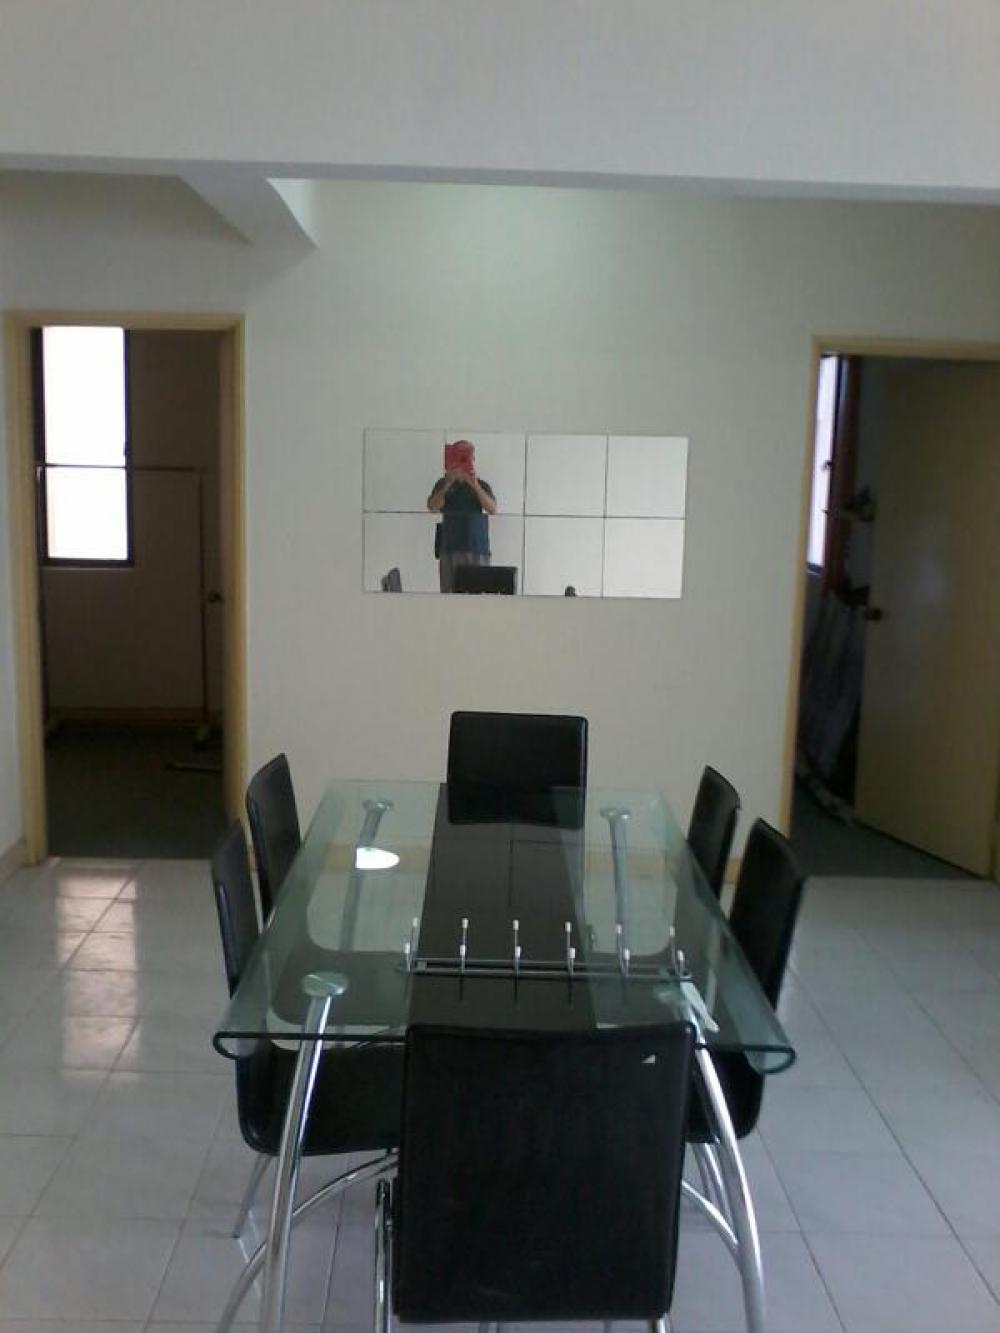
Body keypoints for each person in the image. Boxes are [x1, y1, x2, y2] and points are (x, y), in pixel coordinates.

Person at [426, 442, 498, 593]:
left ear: (473, 458)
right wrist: (448, 484)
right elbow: (433, 507)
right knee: (450, 595)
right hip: (450, 547)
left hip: (477, 548)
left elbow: (492, 509)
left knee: (478, 596)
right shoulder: (443, 483)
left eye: (466, 457)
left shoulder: (481, 484)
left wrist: (475, 485)